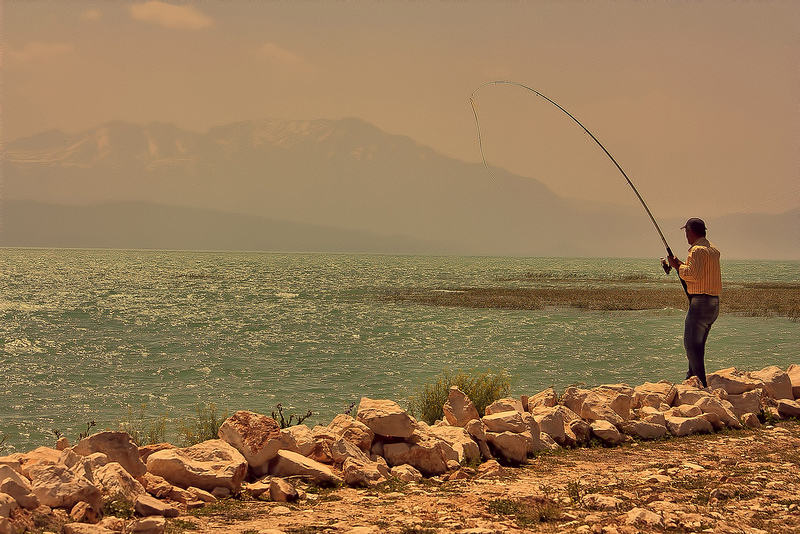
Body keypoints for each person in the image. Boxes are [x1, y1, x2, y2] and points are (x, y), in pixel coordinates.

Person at [667, 218, 721, 388]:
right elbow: (698, 272)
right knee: (698, 344)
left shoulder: (697, 250)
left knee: (691, 345)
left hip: (700, 303)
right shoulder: (712, 249)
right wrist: (680, 264)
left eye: (686, 232)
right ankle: (691, 378)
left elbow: (693, 275)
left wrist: (677, 266)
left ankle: (701, 383)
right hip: (713, 304)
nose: (685, 236)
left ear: (690, 231)